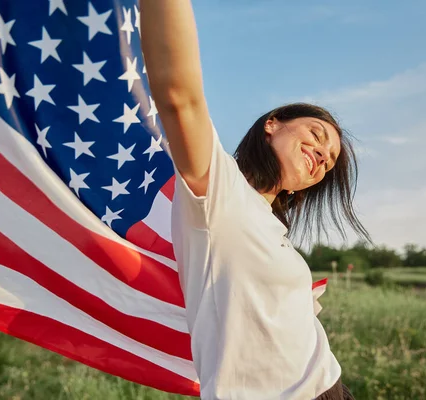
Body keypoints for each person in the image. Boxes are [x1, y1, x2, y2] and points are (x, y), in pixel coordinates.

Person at [140, 2, 367, 399]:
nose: (322, 156)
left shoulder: (270, 222)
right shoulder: (220, 192)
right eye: (316, 135)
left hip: (329, 387)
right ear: (272, 124)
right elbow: (180, 97)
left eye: (329, 162)